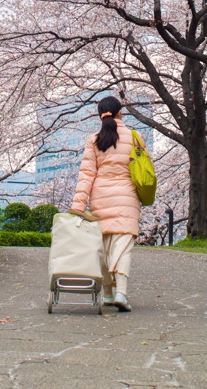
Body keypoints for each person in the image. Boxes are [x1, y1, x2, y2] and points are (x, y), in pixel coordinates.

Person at [69, 95, 142, 312]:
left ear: (100, 115)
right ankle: (121, 293)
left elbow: (86, 174)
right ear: (120, 112)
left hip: (101, 197)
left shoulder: (94, 140)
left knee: (105, 247)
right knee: (122, 248)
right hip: (127, 197)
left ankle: (108, 295)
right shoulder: (135, 137)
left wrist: (78, 205)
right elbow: (143, 169)